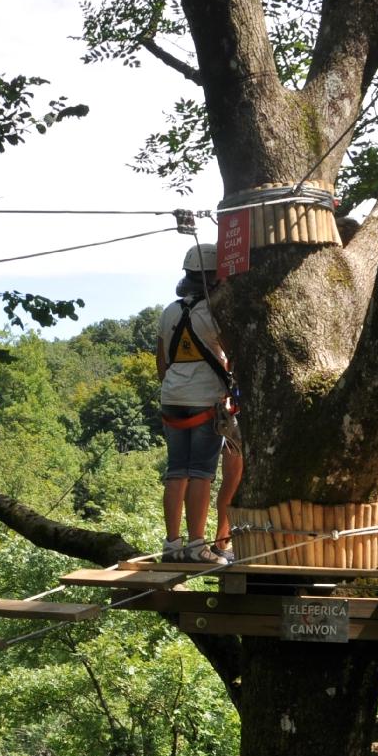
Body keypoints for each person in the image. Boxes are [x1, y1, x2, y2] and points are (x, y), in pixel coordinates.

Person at [156, 241, 232, 563]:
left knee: (176, 471)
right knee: (201, 472)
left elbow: (162, 360)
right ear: (214, 276)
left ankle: (173, 544)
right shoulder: (217, 311)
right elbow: (232, 357)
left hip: (172, 398)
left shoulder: (169, 311)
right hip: (204, 399)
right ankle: (198, 545)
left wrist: (176, 388)